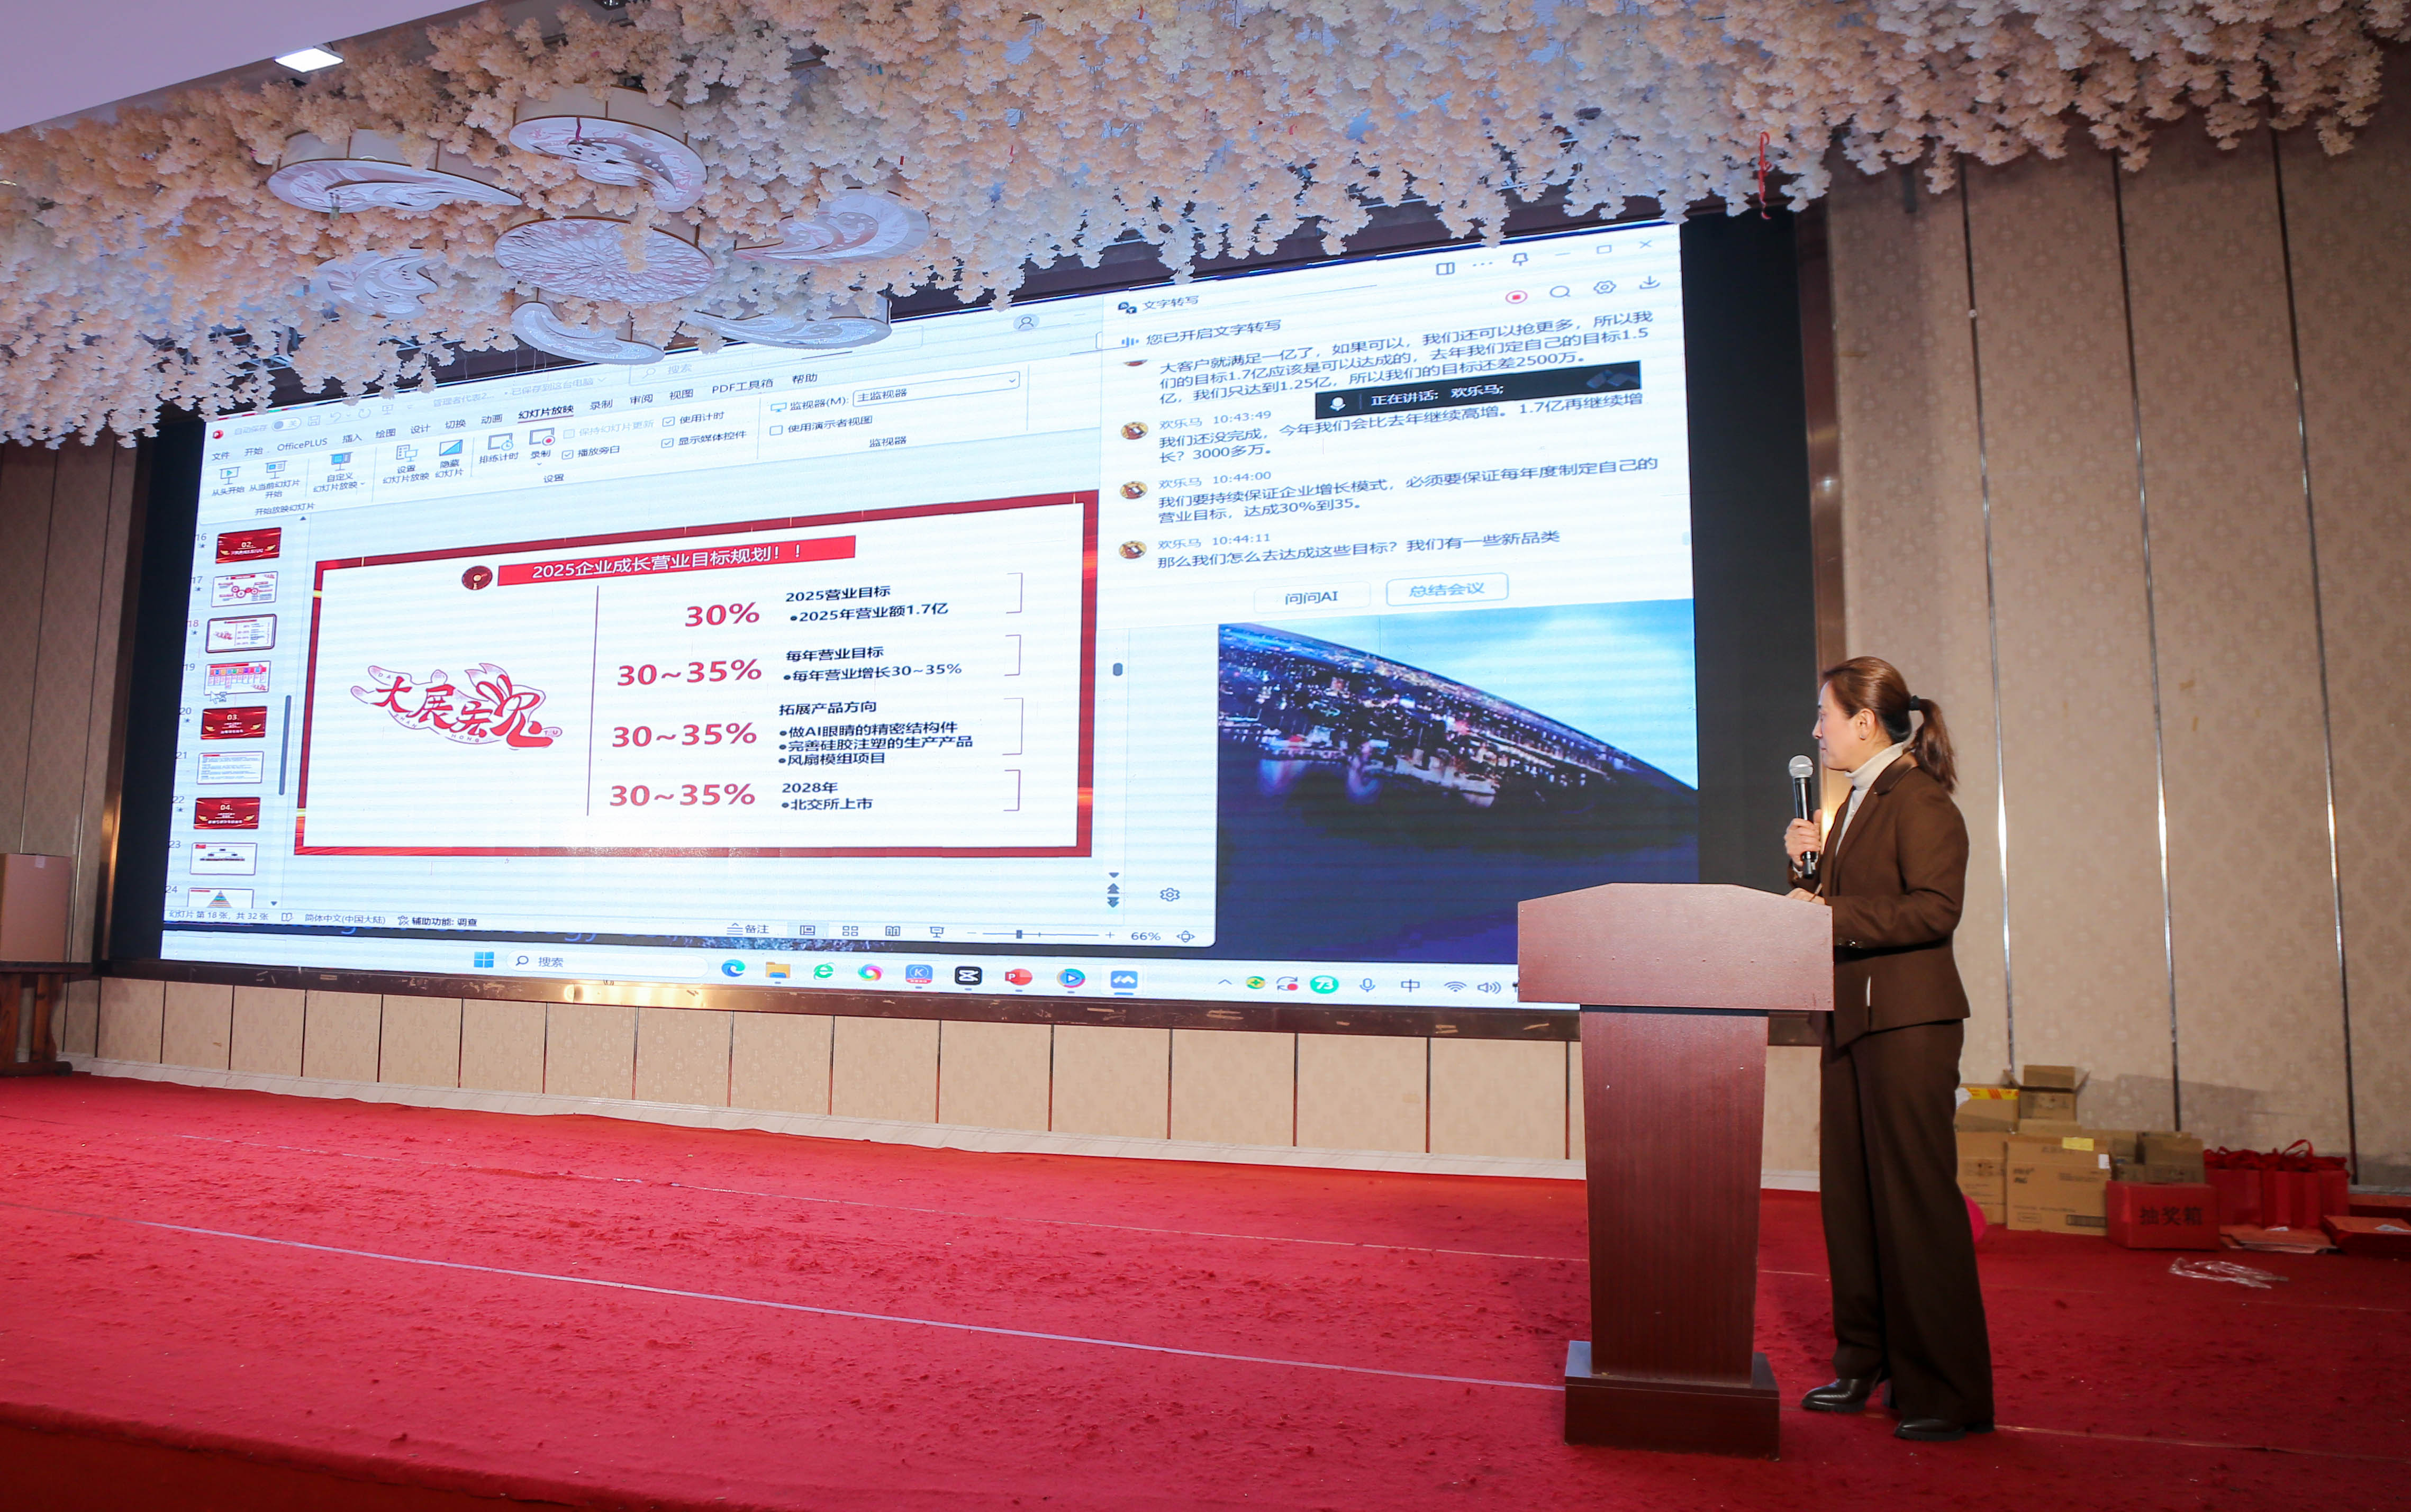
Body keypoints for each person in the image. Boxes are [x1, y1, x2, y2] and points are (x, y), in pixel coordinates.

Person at [1782, 656, 1994, 1443]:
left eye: (1825, 715)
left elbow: (1935, 909)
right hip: (1853, 1022)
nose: (1817, 731)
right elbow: (1842, 905)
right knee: (1854, 1202)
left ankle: (1947, 1391)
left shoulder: (1920, 798)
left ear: (1865, 722)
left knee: (1914, 1205)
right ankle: (1863, 1360)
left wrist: (1827, 911)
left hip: (1908, 1027)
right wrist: (1805, 865)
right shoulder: (1859, 801)